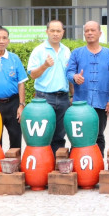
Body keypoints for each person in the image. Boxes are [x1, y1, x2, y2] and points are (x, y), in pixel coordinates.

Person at [66, 21, 109, 157]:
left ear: (100, 33)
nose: (89, 33)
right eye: (87, 30)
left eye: (93, 30)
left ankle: (98, 163)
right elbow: (69, 72)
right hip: (81, 103)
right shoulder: (77, 53)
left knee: (98, 135)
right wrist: (75, 77)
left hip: (101, 103)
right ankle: (78, 163)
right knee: (79, 135)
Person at [27, 20, 71, 155]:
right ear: (47, 32)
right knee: (43, 135)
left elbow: (69, 76)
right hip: (44, 98)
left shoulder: (66, 50)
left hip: (63, 98)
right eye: (52, 31)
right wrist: (45, 65)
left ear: (63, 32)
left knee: (59, 135)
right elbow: (33, 74)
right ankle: (43, 166)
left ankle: (56, 168)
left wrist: (72, 96)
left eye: (59, 31)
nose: (55, 34)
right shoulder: (39, 50)